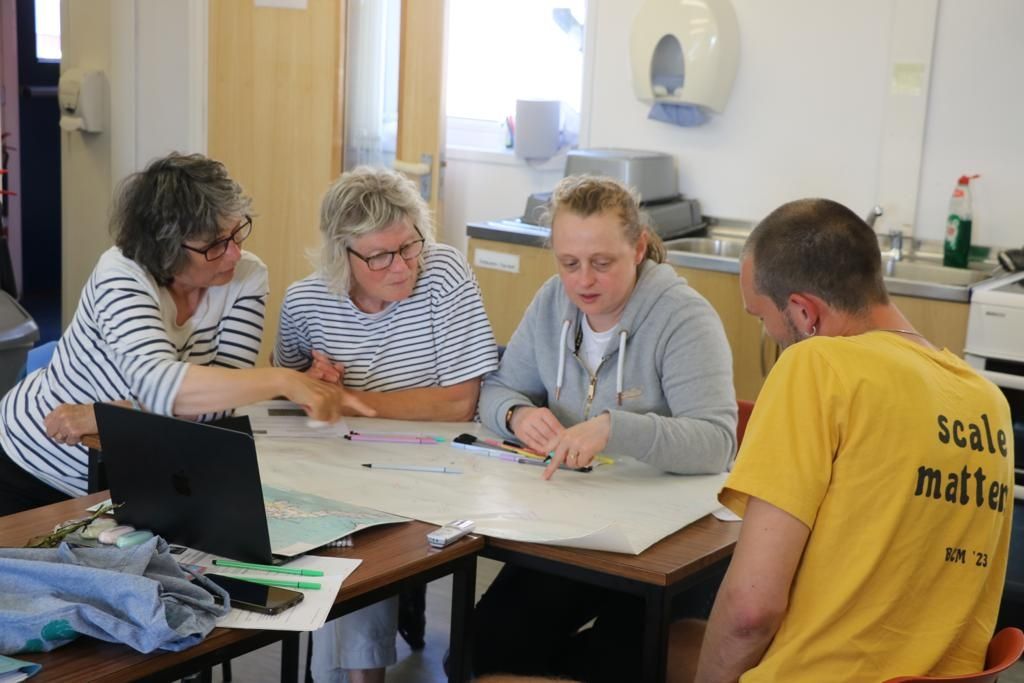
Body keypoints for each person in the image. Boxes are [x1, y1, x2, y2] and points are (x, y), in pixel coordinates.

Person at [692, 198, 1013, 682]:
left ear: (804, 312)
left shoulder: (817, 366)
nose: (770, 333)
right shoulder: (989, 402)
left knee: (616, 645)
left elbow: (750, 612)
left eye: (761, 317)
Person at [473, 175, 737, 683]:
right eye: (569, 263)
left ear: (638, 248)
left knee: (618, 662)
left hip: (667, 540)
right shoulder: (552, 303)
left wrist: (614, 428)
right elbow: (497, 389)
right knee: (483, 645)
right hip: (575, 526)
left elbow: (716, 443)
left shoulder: (683, 317)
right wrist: (516, 415)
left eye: (602, 262)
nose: (583, 281)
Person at [0, 152, 368, 516]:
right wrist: (283, 380)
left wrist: (106, 415)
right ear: (165, 248)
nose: (234, 254)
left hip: (133, 474)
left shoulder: (247, 277)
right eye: (215, 245)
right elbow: (162, 385)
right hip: (34, 462)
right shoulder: (122, 273)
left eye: (237, 232)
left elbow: (219, 405)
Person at [274, 166, 499, 683]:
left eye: (408, 246)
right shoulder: (306, 302)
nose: (401, 267)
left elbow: (459, 402)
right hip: (346, 464)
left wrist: (349, 401)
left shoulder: (442, 272)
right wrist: (310, 385)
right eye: (379, 256)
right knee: (337, 526)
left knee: (354, 536)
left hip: (440, 465)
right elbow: (286, 390)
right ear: (342, 256)